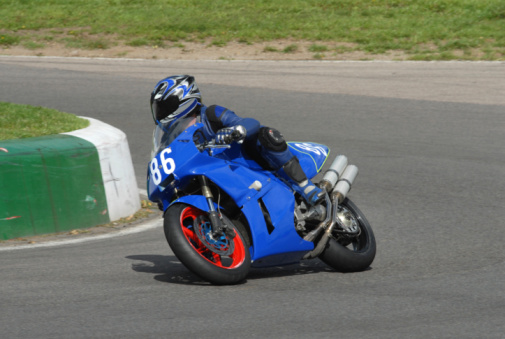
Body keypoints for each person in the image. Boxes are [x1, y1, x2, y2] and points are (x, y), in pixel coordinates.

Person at [150, 75, 324, 206]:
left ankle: (306, 187)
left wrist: (235, 130)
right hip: (219, 178)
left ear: (183, 99)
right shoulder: (171, 138)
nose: (160, 114)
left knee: (266, 134)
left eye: (163, 107)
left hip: (246, 162)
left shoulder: (211, 114)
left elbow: (249, 123)